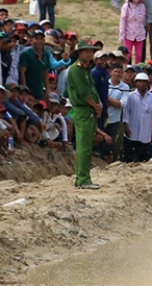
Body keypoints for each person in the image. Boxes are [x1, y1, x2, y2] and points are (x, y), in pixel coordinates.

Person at [68, 40, 101, 190]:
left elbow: (92, 90)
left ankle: (84, 177)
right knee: (83, 145)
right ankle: (82, 178)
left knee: (87, 144)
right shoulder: (76, 69)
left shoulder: (87, 68)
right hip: (83, 109)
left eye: (91, 51)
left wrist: (97, 105)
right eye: (86, 51)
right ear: (80, 52)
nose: (90, 53)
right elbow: (83, 92)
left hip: (90, 109)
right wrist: (95, 105)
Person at [122, 72, 152, 162]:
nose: (141, 84)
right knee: (129, 157)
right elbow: (126, 112)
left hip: (146, 132)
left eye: (144, 82)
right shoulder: (131, 96)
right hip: (132, 131)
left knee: (144, 158)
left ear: (148, 83)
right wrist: (126, 126)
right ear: (135, 83)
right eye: (139, 82)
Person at [105, 63, 130, 162]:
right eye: (115, 71)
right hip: (104, 117)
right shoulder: (105, 83)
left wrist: (108, 99)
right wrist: (114, 102)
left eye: (119, 72)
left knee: (112, 145)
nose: (117, 74)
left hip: (115, 119)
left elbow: (122, 104)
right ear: (111, 72)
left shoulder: (125, 87)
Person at [120, 0, 147, 64]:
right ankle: (125, 69)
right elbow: (123, 22)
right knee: (127, 55)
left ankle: (137, 70)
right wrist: (122, 35)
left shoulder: (142, 6)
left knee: (139, 55)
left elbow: (143, 21)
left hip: (140, 35)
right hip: (129, 34)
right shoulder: (126, 6)